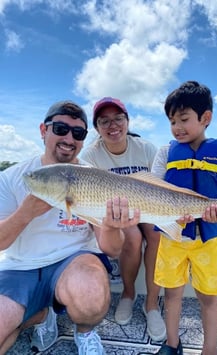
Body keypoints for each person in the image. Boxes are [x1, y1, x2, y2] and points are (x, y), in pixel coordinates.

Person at [0, 100, 141, 355]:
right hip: (20, 268)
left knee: (91, 299)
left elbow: (111, 249)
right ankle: (41, 316)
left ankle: (84, 331)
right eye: (61, 129)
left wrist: (111, 226)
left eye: (78, 133)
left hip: (74, 260)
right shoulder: (13, 177)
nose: (69, 138)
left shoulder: (92, 177)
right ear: (44, 130)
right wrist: (25, 214)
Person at [151, 81, 217, 355]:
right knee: (172, 294)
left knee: (208, 297)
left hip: (209, 241)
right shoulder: (165, 153)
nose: (177, 127)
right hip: (172, 237)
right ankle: (172, 344)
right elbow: (152, 194)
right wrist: (172, 216)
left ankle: (210, 349)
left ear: (206, 118)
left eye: (184, 119)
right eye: (172, 121)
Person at [81, 97, 166, 341]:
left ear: (127, 122)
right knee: (132, 237)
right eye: (104, 121)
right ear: (97, 129)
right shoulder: (91, 155)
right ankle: (128, 294)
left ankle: (151, 304)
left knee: (156, 234)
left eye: (118, 118)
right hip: (113, 211)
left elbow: (162, 187)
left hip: (147, 205)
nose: (112, 125)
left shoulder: (146, 149)